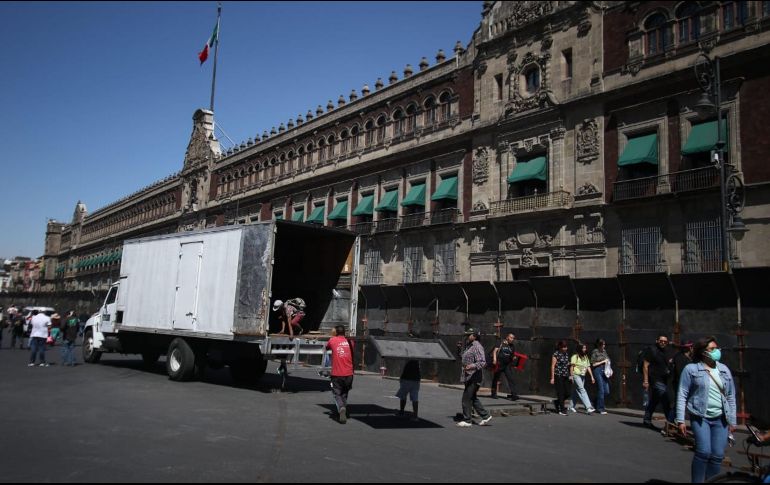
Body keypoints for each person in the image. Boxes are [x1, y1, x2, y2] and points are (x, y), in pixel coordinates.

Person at [676, 336, 737, 483]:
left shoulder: (724, 370)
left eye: (717, 348)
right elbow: (682, 394)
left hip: (721, 419)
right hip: (700, 417)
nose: (717, 351)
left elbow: (730, 396)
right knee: (703, 452)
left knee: (717, 455)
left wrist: (732, 420)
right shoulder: (691, 369)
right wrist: (680, 419)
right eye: (712, 349)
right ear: (703, 352)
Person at [456, 327, 492, 428]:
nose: (467, 336)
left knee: (466, 398)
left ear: (475, 336)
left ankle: (467, 420)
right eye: (466, 335)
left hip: (474, 376)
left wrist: (471, 366)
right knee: (472, 397)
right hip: (468, 376)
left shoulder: (477, 346)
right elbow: (462, 357)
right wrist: (459, 349)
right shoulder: (469, 345)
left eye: (469, 335)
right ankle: (485, 416)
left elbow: (482, 362)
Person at [643, 334, 675, 428]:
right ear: (657, 341)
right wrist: (646, 381)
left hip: (664, 380)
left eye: (665, 341)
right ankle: (670, 424)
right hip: (655, 379)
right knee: (666, 400)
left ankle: (647, 419)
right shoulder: (652, 350)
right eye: (661, 341)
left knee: (654, 400)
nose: (663, 343)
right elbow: (645, 366)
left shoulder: (666, 351)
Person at [326, 325, 354, 424]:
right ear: (345, 332)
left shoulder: (332, 340)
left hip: (337, 373)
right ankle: (343, 409)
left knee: (336, 393)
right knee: (345, 393)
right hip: (349, 373)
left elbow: (327, 347)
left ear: (336, 332)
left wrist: (333, 336)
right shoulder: (350, 342)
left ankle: (341, 408)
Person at [490, 333, 519, 400]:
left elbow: (512, 355)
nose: (512, 339)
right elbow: (495, 351)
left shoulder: (512, 346)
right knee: (496, 378)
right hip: (499, 364)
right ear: (507, 337)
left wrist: (513, 357)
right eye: (511, 337)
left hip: (507, 365)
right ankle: (493, 393)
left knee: (511, 379)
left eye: (513, 338)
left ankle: (514, 395)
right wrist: (494, 359)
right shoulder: (500, 343)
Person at [569, 342, 595, 413]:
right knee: (582, 390)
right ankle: (588, 407)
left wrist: (592, 376)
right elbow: (571, 367)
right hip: (576, 375)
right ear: (580, 349)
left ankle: (571, 407)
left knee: (576, 391)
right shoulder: (575, 357)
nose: (585, 349)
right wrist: (571, 376)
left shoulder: (586, 357)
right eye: (583, 348)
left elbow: (588, 367)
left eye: (585, 348)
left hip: (582, 376)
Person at [590, 338, 611, 415]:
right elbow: (593, 364)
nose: (604, 346)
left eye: (604, 344)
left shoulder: (604, 351)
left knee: (606, 391)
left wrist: (609, 369)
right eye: (603, 344)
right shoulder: (595, 352)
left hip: (605, 371)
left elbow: (608, 360)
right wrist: (603, 361)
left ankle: (595, 402)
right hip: (597, 370)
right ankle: (600, 408)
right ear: (599, 345)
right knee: (601, 390)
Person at [550, 340, 571, 416]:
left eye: (566, 347)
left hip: (565, 375)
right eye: (564, 347)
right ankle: (562, 410)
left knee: (568, 393)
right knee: (561, 393)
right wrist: (552, 378)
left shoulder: (566, 354)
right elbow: (552, 366)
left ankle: (557, 402)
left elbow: (566, 363)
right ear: (560, 347)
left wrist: (570, 364)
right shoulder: (556, 354)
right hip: (558, 375)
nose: (566, 348)